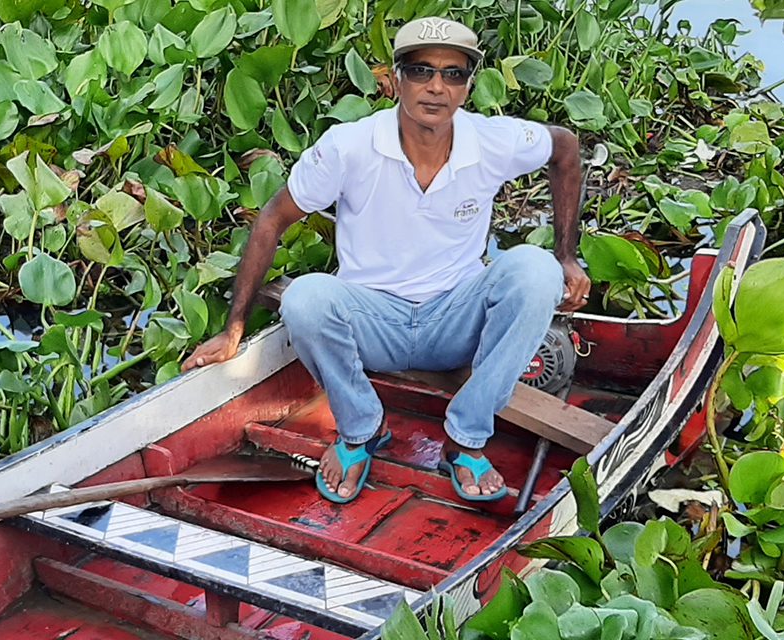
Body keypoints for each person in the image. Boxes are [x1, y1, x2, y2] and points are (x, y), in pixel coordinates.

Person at [181, 16, 588, 503]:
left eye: (453, 74)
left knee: (535, 271)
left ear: (468, 85)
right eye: (421, 71)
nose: (436, 87)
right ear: (395, 79)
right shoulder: (349, 146)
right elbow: (271, 218)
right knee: (307, 299)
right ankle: (361, 431)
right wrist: (234, 327)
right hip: (374, 323)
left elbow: (564, 148)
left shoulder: (492, 141)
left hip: (457, 321)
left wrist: (566, 255)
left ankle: (466, 438)